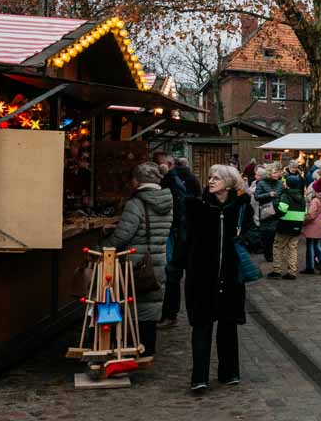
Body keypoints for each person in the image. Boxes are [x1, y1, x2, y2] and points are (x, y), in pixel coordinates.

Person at [177, 164, 254, 392]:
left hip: (230, 276)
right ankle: (199, 377)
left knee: (228, 325)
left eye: (217, 178)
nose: (211, 181)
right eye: (210, 177)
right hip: (201, 277)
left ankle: (229, 372)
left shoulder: (241, 207)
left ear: (229, 183)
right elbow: (184, 239)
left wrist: (245, 239)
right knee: (202, 326)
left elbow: (253, 233)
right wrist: (181, 266)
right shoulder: (196, 207)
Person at [104, 161, 172, 357]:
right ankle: (147, 349)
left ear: (137, 181)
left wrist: (102, 247)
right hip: (156, 262)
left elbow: (123, 236)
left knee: (128, 304)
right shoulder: (167, 203)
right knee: (151, 305)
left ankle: (127, 348)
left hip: (135, 264)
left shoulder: (136, 203)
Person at [159, 155, 201, 327]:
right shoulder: (191, 180)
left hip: (177, 232)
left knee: (172, 272)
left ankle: (170, 314)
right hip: (183, 233)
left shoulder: (170, 181)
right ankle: (183, 314)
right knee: (178, 274)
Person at [270, 174, 306, 280]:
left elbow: (282, 209)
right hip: (297, 225)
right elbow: (305, 212)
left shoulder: (286, 195)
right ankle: (292, 271)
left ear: (288, 184)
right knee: (292, 248)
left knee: (278, 247)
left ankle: (277, 270)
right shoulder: (301, 197)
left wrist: (275, 213)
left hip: (285, 225)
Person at [252, 164, 283, 263]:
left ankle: (274, 254)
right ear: (269, 173)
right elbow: (257, 196)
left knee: (276, 235)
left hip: (278, 213)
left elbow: (283, 195)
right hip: (266, 213)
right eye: (274, 172)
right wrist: (268, 194)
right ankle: (268, 254)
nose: (277, 174)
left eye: (277, 172)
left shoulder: (280, 183)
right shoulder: (261, 183)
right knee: (266, 236)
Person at [302, 178, 321, 275]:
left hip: (312, 226)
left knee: (310, 246)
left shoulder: (315, 200)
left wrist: (304, 221)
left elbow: (311, 215)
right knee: (317, 246)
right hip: (319, 226)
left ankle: (311, 267)